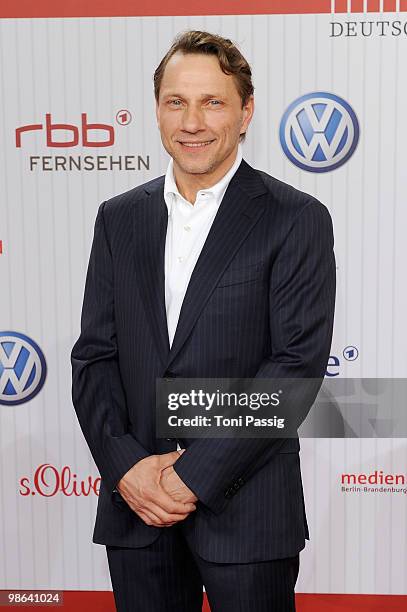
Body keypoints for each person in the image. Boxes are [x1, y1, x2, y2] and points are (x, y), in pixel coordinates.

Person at [71, 30, 336, 612]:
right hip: (135, 512)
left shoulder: (295, 219)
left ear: (245, 113)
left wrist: (190, 477)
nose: (192, 122)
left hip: (247, 512)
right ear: (158, 111)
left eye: (212, 102)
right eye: (176, 102)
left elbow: (294, 370)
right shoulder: (118, 218)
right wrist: (129, 470)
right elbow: (94, 356)